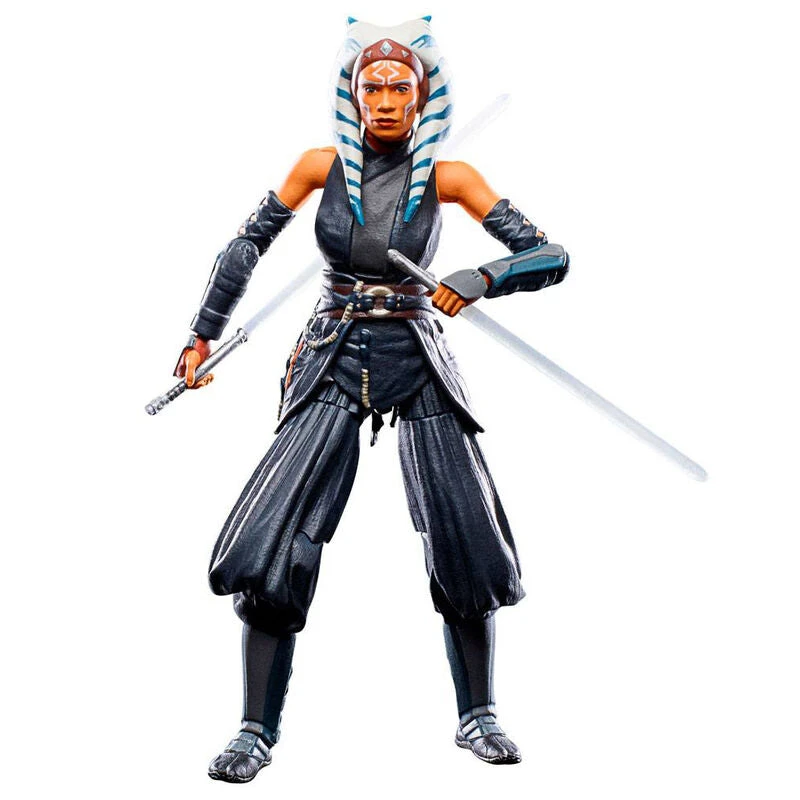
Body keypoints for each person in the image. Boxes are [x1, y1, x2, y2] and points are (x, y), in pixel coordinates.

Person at [173, 19, 568, 782]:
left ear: (423, 96)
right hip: (333, 351)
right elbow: (246, 245)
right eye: (373, 87)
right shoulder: (319, 167)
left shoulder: (450, 176)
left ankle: (479, 714)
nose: (386, 100)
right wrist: (201, 334)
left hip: (417, 355)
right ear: (353, 96)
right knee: (274, 539)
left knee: (465, 534)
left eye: (399, 88)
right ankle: (255, 728)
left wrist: (481, 278)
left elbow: (549, 254)